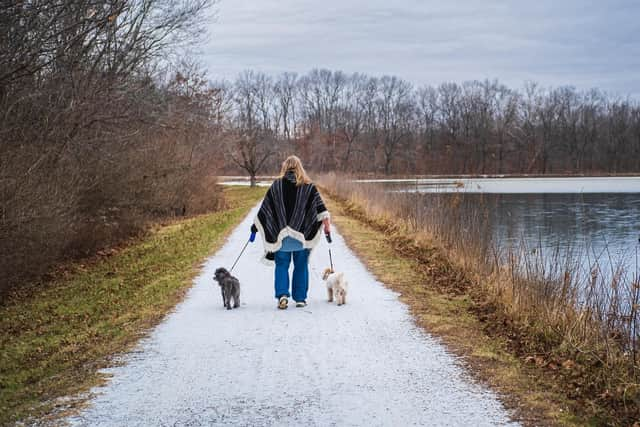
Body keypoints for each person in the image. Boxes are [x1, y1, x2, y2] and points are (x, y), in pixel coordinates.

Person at [250, 155, 330, 309]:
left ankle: (283, 296)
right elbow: (322, 210)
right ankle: (300, 298)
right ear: (300, 167)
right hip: (301, 238)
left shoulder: (276, 186)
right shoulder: (309, 186)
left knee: (281, 265)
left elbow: (265, 210)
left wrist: (255, 227)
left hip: (282, 239)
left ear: (285, 167)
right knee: (301, 265)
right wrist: (326, 227)